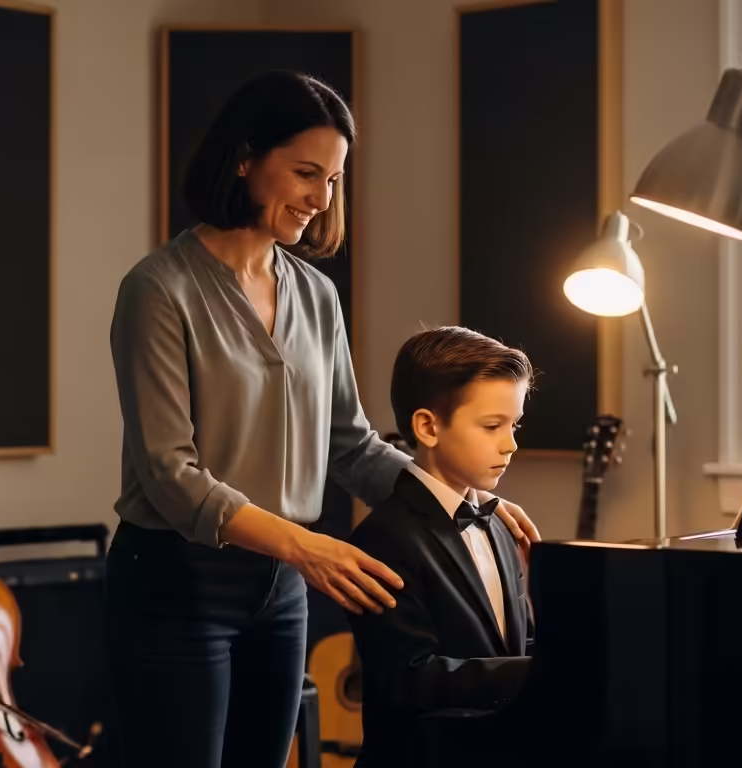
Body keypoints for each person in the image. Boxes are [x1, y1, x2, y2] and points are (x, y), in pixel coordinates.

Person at [104, 70, 540, 768]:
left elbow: (351, 445)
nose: (321, 198)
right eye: (306, 173)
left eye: (334, 179)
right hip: (174, 584)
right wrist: (304, 547)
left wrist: (462, 500)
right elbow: (170, 477)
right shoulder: (159, 289)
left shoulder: (315, 295)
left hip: (279, 593)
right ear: (244, 159)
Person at [346, 326, 537, 768]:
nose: (510, 444)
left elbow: (517, 641)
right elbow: (408, 676)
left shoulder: (500, 525)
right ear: (428, 426)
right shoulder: (383, 538)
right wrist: (539, 672)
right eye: (492, 426)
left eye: (514, 425)